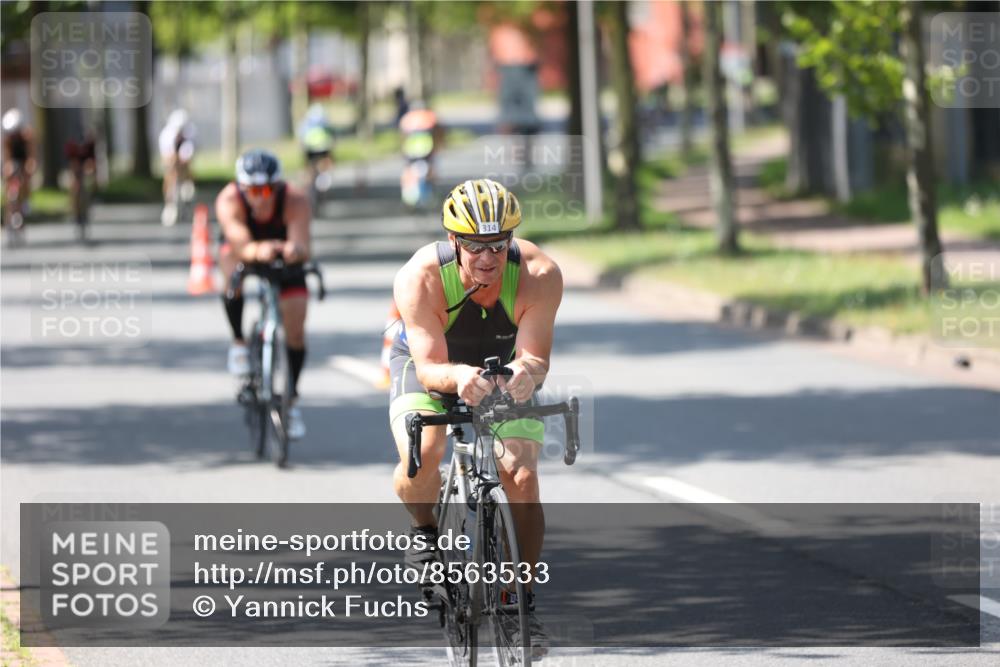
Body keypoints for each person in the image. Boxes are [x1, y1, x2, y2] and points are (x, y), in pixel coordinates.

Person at [389, 178, 562, 650]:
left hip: (498, 368)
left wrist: (526, 371)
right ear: (453, 241)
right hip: (429, 366)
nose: (488, 257)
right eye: (475, 246)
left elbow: (536, 358)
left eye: (498, 245)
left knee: (521, 474)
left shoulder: (539, 274)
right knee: (423, 453)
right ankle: (424, 530)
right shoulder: (420, 276)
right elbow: (429, 368)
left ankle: (519, 600)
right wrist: (458, 377)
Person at [216, 150, 312, 440]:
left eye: (267, 190)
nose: (260, 198)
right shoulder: (229, 199)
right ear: (242, 188)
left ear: (277, 186)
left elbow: (302, 244)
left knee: (296, 323)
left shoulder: (294, 199)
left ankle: (290, 401)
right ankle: (239, 341)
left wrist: (294, 250)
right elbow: (240, 243)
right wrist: (258, 250)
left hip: (281, 254)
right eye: (252, 191)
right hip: (245, 249)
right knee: (229, 268)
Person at [158, 109, 196, 226]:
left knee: (186, 174)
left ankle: (186, 194)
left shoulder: (191, 134)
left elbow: (188, 158)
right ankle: (169, 204)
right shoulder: (166, 136)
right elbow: (167, 159)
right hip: (170, 155)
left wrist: (185, 171)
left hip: (184, 155)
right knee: (170, 174)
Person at [2, 109, 37, 227]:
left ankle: (26, 199)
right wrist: (7, 168)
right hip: (13, 161)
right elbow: (7, 157)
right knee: (8, 177)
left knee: (26, 176)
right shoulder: (8, 140)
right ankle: (9, 209)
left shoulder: (27, 137)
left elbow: (31, 155)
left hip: (24, 160)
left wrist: (30, 165)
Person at [298, 104, 336, 203]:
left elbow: (301, 137)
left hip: (310, 149)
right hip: (323, 148)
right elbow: (332, 138)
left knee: (309, 169)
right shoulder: (324, 120)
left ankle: (307, 185)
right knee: (325, 165)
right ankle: (322, 184)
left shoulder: (306, 122)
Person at [64, 129, 97, 240]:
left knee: (86, 186)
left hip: (86, 167)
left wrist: (90, 173)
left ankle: (86, 210)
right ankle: (75, 213)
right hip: (75, 167)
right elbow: (71, 162)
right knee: (74, 188)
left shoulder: (90, 144)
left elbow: (92, 162)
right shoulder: (71, 145)